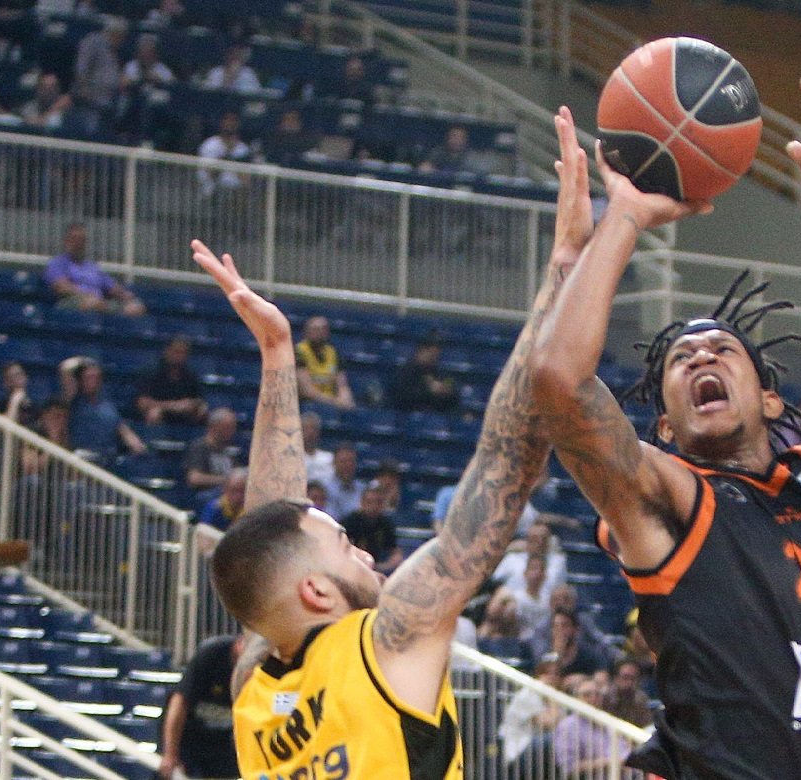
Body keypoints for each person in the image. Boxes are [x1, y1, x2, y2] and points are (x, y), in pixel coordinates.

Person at [529, 57, 801, 778]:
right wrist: (622, 216)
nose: (700, 356)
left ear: (770, 398)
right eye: (679, 360)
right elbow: (560, 384)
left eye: (722, 348)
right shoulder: (668, 501)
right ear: (665, 429)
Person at [196, 101, 578, 780]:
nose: (367, 553)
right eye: (347, 544)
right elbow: (506, 460)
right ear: (316, 592)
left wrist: (278, 356)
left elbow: (268, 542)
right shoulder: (385, 642)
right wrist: (566, 266)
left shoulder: (254, 689)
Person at [158, 633, 242, 779]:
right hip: (187, 737)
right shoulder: (212, 653)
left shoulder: (260, 669)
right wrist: (170, 754)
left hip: (221, 742)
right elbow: (179, 702)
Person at [45, 223, 144, 315]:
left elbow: (112, 287)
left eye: (81, 240)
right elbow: (62, 288)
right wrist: (87, 295)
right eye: (74, 239)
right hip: (70, 303)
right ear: (66, 241)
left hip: (99, 302)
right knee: (94, 303)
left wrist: (127, 296)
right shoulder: (58, 263)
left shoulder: (92, 267)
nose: (78, 244)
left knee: (136, 308)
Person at [63, 358, 146, 460]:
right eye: (88, 377)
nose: (93, 381)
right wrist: (86, 361)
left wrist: (136, 445)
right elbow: (65, 368)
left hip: (107, 458)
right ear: (81, 380)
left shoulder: (108, 406)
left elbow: (123, 429)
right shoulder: (74, 400)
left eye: (96, 377)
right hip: (81, 457)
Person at [551, 676, 619, 778]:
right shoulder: (568, 726)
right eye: (587, 695)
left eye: (597, 694)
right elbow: (569, 767)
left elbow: (624, 753)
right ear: (576, 699)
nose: (593, 698)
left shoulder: (609, 723)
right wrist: (608, 762)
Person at [138, 336, 208, 425]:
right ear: (166, 351)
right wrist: (174, 405)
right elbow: (142, 403)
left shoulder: (190, 375)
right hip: (161, 411)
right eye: (176, 352)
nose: (178, 356)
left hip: (183, 415)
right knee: (154, 413)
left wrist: (199, 406)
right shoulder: (150, 371)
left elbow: (199, 399)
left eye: (183, 353)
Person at [295, 316, 355, 409]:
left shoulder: (333, 352)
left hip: (331, 405)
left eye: (323, 329)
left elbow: (342, 385)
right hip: (306, 405)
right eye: (316, 329)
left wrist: (346, 399)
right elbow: (307, 391)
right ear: (306, 331)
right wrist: (336, 402)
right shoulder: (299, 351)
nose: (320, 332)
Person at [341, 483, 402, 574]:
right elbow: (342, 549)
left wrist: (383, 567)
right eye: (369, 502)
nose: (373, 506)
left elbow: (395, 552)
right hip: (352, 567)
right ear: (362, 503)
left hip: (375, 568)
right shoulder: (350, 522)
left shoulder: (385, 523)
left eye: (378, 502)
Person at [389, 335, 459, 413]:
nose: (433, 358)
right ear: (420, 351)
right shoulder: (406, 371)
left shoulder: (439, 373)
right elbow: (401, 396)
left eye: (436, 355)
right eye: (431, 354)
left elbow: (453, 399)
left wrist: (447, 392)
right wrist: (428, 390)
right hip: (408, 414)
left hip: (434, 416)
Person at [491, 522, 567, 592]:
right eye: (535, 539)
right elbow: (493, 580)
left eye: (543, 539)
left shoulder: (558, 561)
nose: (540, 543)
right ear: (527, 541)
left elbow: (561, 588)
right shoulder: (512, 559)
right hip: (513, 600)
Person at [73, 16, 125, 116]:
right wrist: (85, 92)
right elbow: (81, 69)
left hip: (110, 98)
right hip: (90, 99)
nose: (122, 41)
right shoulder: (93, 41)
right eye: (121, 37)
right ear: (114, 33)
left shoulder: (114, 50)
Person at [184, 408, 241, 493]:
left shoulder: (230, 448)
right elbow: (194, 478)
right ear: (214, 427)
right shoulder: (199, 447)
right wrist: (227, 480)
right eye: (228, 427)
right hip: (207, 494)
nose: (232, 431)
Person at [198, 112, 252, 197]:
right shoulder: (210, 144)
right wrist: (228, 152)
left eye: (233, 120)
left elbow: (246, 181)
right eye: (227, 119)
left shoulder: (243, 149)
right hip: (213, 193)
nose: (230, 123)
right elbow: (211, 174)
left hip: (236, 195)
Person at [604, 659, 653, 727]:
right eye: (625, 677)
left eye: (633, 678)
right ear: (616, 678)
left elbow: (646, 725)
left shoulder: (641, 700)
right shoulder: (604, 696)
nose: (629, 682)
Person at [421, 126, 486, 177]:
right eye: (453, 136)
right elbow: (426, 166)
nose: (456, 140)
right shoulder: (438, 151)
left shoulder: (472, 156)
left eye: (460, 137)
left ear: (465, 140)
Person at [322, 443, 365, 519]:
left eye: (351, 461)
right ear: (334, 463)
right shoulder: (323, 488)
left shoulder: (363, 489)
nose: (347, 465)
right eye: (343, 461)